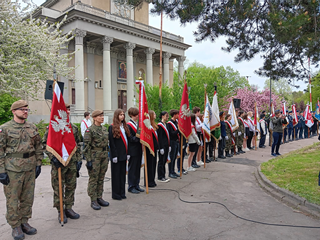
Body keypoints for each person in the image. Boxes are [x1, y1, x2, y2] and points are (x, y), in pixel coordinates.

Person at [0, 100, 43, 240]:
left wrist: (38, 163)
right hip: (13, 169)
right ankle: (15, 225)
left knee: (27, 197)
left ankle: (24, 222)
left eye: (26, 109)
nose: (25, 111)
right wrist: (1, 171)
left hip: (30, 167)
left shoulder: (32, 127)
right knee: (13, 199)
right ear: (13, 111)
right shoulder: (5, 129)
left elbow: (38, 147)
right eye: (21, 109)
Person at [43, 103, 82, 222]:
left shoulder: (74, 128)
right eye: (66, 109)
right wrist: (52, 158)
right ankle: (60, 210)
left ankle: (69, 208)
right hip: (58, 163)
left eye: (69, 110)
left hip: (71, 162)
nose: (68, 112)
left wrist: (79, 159)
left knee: (71, 186)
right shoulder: (52, 128)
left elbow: (78, 145)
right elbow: (45, 144)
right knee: (58, 187)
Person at [83, 110, 110, 210]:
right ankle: (93, 199)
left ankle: (99, 197)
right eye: (99, 116)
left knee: (101, 177)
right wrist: (89, 160)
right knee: (94, 178)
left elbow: (106, 144)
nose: (102, 117)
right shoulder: (90, 130)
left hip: (104, 156)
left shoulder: (104, 129)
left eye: (102, 115)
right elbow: (86, 147)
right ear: (94, 118)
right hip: (95, 157)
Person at [109, 109, 131, 200]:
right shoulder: (112, 127)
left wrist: (128, 153)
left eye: (123, 114)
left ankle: (122, 192)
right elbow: (112, 143)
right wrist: (114, 155)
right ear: (116, 116)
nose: (122, 116)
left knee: (122, 174)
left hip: (124, 154)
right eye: (120, 115)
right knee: (116, 175)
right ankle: (116, 194)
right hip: (116, 155)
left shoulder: (124, 126)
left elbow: (128, 141)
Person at [126, 107, 144, 194]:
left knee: (137, 168)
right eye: (136, 115)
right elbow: (130, 138)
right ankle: (131, 186)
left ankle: (136, 184)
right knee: (132, 169)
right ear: (131, 115)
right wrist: (139, 137)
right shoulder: (128, 125)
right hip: (132, 150)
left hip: (139, 149)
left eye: (137, 114)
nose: (137, 116)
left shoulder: (137, 124)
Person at [145, 110, 158, 187]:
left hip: (154, 147)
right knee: (149, 164)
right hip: (149, 148)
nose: (155, 115)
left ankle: (152, 179)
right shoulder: (148, 125)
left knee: (153, 164)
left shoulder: (153, 125)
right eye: (154, 114)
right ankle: (148, 181)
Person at [157, 111, 170, 183]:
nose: (167, 117)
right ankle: (160, 176)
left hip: (167, 145)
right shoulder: (159, 125)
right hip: (162, 146)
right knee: (161, 161)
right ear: (162, 116)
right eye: (166, 116)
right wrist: (160, 147)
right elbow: (160, 137)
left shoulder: (166, 125)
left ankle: (163, 175)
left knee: (164, 160)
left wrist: (169, 145)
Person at [167, 109, 180, 179]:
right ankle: (170, 172)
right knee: (172, 157)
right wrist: (178, 130)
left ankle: (173, 171)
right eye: (177, 114)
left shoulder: (176, 122)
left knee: (175, 157)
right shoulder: (169, 123)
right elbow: (171, 134)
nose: (178, 115)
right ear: (174, 115)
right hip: (172, 142)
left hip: (177, 141)